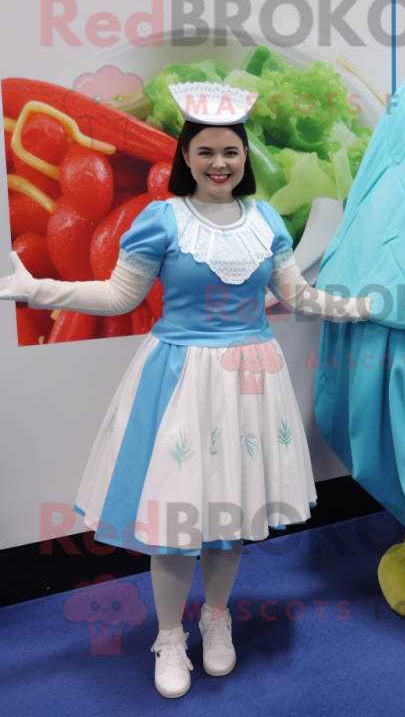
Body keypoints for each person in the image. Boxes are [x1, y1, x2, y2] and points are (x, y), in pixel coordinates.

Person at [0, 83, 370, 698]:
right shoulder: (161, 218)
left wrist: (357, 308)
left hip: (251, 380)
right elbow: (119, 295)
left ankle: (216, 617)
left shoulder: (267, 219)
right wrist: (39, 290)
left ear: (244, 156)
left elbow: (295, 296)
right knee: (175, 521)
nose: (219, 162)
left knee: (227, 518)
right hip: (179, 380)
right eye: (206, 152)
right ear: (187, 158)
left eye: (230, 151)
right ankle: (169, 635)